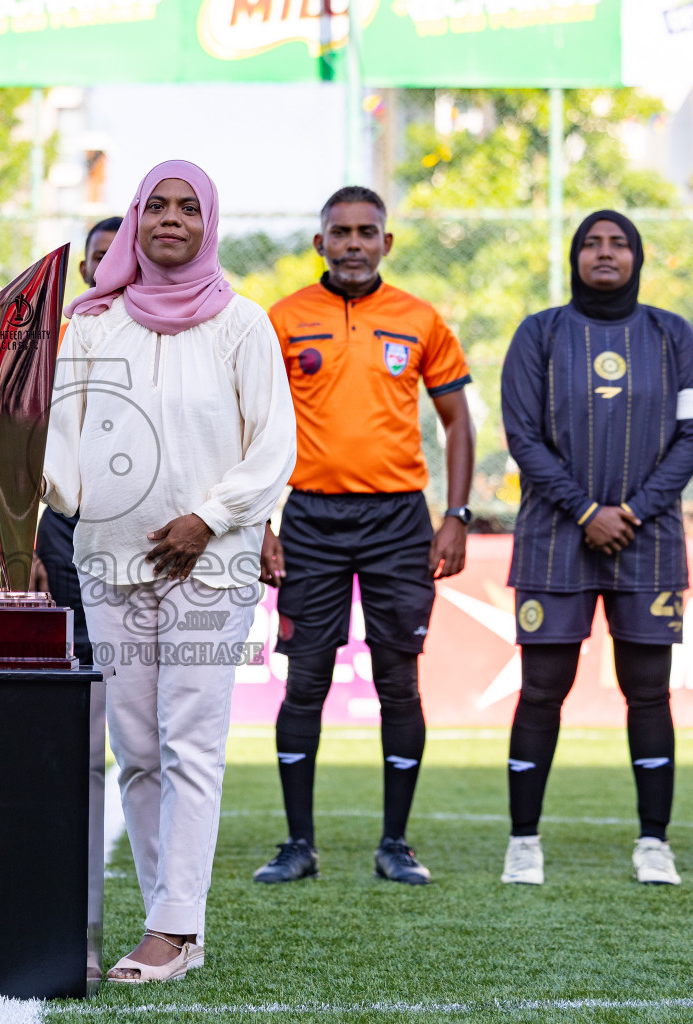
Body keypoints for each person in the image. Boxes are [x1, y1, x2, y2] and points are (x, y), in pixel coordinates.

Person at [45, 160, 296, 982]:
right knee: (137, 748)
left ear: (209, 223)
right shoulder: (90, 326)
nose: (172, 220)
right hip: (109, 564)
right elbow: (62, 450)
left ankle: (174, 926)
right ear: (134, 219)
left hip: (209, 567)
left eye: (190, 208)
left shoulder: (242, 324)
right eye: (158, 206)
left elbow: (274, 447)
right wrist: (19, 462)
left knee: (191, 744)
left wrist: (210, 521)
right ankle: (172, 925)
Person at [253, 186, 474, 886]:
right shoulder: (282, 320)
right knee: (306, 683)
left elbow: (457, 421)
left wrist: (456, 514)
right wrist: (259, 522)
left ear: (386, 243)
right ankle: (298, 844)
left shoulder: (419, 319)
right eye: (340, 232)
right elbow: (250, 427)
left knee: (399, 682)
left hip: (400, 522)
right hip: (312, 520)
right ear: (319, 244)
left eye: (366, 232)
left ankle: (396, 844)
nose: (353, 243)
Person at [498, 211, 693, 886]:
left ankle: (655, 843)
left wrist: (634, 510)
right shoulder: (540, 333)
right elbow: (522, 437)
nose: (605, 253)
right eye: (591, 243)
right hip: (555, 538)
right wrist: (587, 510)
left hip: (648, 541)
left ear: (639, 257)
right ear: (574, 257)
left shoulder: (674, 335)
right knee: (541, 691)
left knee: (648, 693)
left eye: (618, 243)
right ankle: (523, 842)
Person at [33, 215, 122, 666]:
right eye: (101, 258)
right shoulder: (52, 341)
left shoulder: (168, 334)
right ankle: (80, 740)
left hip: (135, 516)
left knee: (132, 656)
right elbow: (29, 442)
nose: (109, 268)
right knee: (75, 652)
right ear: (85, 267)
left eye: (120, 256)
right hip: (67, 521)